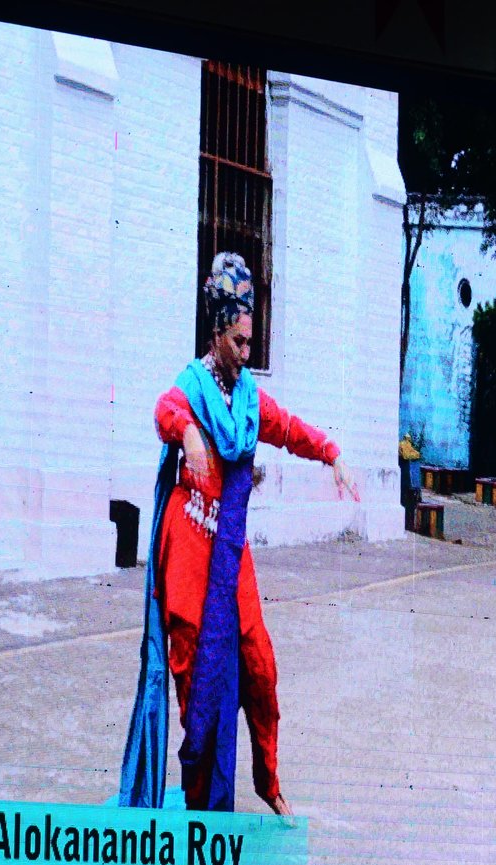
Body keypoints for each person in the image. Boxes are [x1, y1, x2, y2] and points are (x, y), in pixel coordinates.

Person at [122, 252, 359, 818]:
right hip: (189, 544)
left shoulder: (249, 398)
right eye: (238, 342)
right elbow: (165, 410)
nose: (246, 352)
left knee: (259, 666)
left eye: (251, 342)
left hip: (228, 548)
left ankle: (268, 781)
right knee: (196, 680)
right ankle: (202, 805)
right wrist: (188, 434)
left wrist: (332, 453)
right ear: (217, 333)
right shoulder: (193, 385)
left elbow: (289, 429)